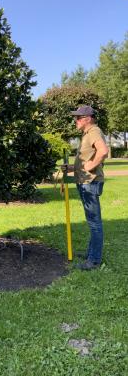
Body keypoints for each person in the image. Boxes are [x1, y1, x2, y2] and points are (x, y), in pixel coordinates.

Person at [62, 105, 109, 270]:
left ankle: (94, 260)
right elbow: (85, 159)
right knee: (92, 221)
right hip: (86, 182)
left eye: (78, 118)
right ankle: (91, 252)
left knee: (94, 223)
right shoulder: (87, 134)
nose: (75, 121)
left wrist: (91, 166)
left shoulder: (94, 131)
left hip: (90, 183)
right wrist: (71, 168)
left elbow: (103, 151)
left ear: (88, 118)